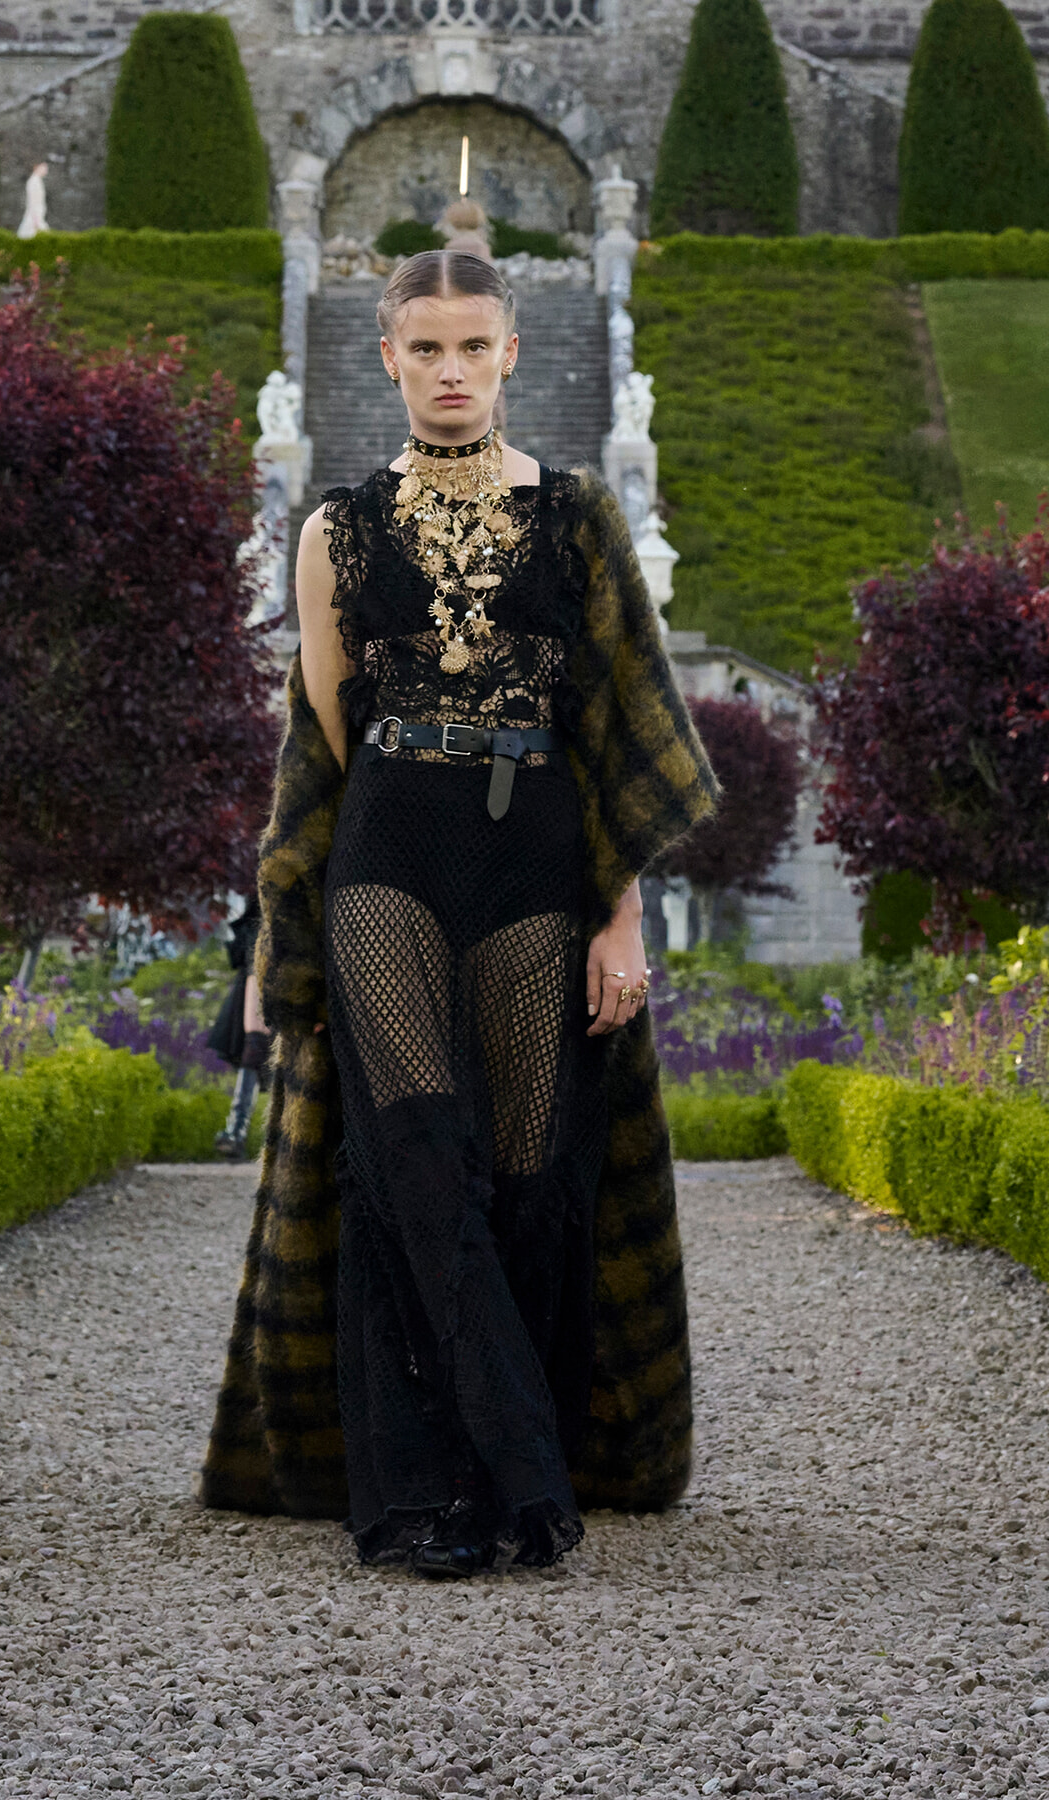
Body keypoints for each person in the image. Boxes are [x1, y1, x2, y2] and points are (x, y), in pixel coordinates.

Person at [201, 250, 719, 1577]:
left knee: (533, 1172)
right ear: (386, 357)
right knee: (413, 1164)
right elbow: (330, 727)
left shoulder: (579, 516)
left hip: (536, 851)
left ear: (509, 354)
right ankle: (433, 1489)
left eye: (472, 346)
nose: (449, 370)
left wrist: (621, 916)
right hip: (390, 851)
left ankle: (502, 1467)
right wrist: (294, 916)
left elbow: (612, 726)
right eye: (424, 347)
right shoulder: (337, 528)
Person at [208, 898, 270, 1160]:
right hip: (259, 959)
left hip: (298, 964)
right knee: (254, 1047)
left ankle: (282, 1136)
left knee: (294, 1056)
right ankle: (236, 1129)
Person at [16, 162, 49, 240]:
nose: (46, 170)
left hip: (38, 214)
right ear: (36, 167)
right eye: (43, 167)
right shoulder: (34, 181)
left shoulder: (37, 181)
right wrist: (36, 219)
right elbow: (32, 201)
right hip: (35, 215)